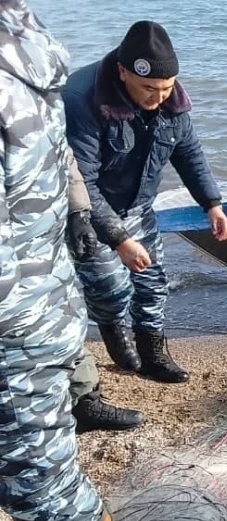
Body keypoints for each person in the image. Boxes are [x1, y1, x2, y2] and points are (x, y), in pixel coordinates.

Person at [1, 0, 123, 521]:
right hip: (32, 296)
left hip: (17, 317)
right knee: (12, 453)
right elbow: (62, 173)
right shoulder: (22, 50)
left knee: (36, 458)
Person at [63, 20, 227, 384]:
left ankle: (153, 352)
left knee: (152, 282)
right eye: (150, 89)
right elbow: (80, 181)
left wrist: (211, 203)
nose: (159, 98)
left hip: (139, 204)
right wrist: (119, 239)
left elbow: (189, 152)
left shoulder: (172, 101)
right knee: (110, 286)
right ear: (123, 72)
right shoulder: (82, 98)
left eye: (167, 88)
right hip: (90, 208)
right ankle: (112, 329)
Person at [66, 151, 145, 433]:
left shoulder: (37, 119)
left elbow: (61, 154)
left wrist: (78, 211)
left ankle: (84, 401)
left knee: (64, 313)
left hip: (35, 228)